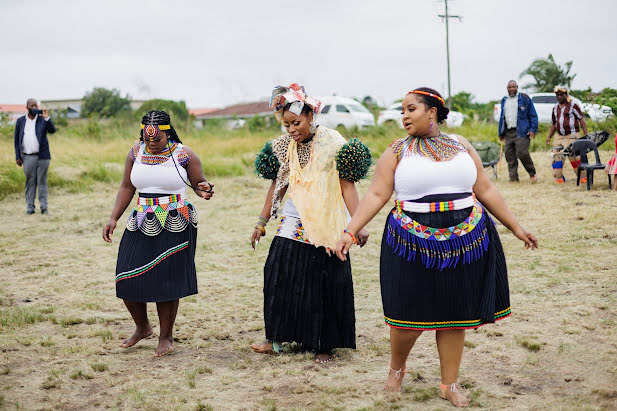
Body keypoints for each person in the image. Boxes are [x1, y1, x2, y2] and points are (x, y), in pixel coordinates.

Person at [335, 88, 537, 407]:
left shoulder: (461, 145)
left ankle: (449, 384)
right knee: (406, 313)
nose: (404, 116)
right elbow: (376, 195)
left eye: (411, 109)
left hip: (464, 237)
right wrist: (350, 231)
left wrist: (516, 226)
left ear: (432, 112)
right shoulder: (397, 151)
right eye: (402, 110)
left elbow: (484, 187)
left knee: (455, 313)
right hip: (410, 240)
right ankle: (397, 368)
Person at [250, 84, 372, 364]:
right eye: (286, 124)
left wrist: (357, 225)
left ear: (310, 116)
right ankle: (277, 337)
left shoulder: (333, 142)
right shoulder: (284, 146)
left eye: (296, 122)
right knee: (277, 272)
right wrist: (262, 221)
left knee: (323, 281)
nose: (291, 129)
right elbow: (277, 187)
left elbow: (347, 186)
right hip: (293, 217)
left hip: (327, 219)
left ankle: (323, 345)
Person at [102, 110, 214, 357]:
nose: (152, 144)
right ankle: (143, 327)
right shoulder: (135, 152)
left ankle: (166, 336)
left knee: (167, 280)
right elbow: (127, 186)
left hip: (176, 220)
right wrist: (113, 218)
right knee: (125, 275)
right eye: (148, 138)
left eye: (158, 139)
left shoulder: (184, 154)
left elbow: (199, 184)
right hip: (141, 217)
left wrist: (204, 191)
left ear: (168, 133)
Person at [13, 98, 56, 214]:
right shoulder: (21, 121)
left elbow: (52, 130)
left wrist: (47, 118)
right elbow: (16, 140)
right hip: (27, 157)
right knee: (30, 182)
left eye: (36, 106)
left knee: (42, 181)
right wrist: (18, 156)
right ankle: (30, 208)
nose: (35, 108)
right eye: (32, 106)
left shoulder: (43, 120)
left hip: (43, 157)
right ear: (27, 107)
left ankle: (44, 208)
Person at [546, 86, 589, 184]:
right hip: (559, 136)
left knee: (574, 157)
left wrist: (586, 134)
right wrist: (549, 137)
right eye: (558, 95)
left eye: (562, 95)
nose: (559, 97)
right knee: (556, 157)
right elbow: (553, 124)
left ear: (566, 95)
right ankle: (559, 178)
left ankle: (583, 177)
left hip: (572, 135)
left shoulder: (573, 105)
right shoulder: (555, 108)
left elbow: (581, 119)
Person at [498, 80, 538, 183]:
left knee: (522, 153)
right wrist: (501, 133)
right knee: (509, 155)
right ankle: (513, 178)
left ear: (517, 87)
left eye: (513, 87)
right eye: (509, 87)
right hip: (508, 132)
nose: (511, 89)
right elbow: (502, 118)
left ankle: (532, 173)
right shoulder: (504, 100)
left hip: (522, 131)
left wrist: (532, 129)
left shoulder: (524, 98)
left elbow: (533, 115)